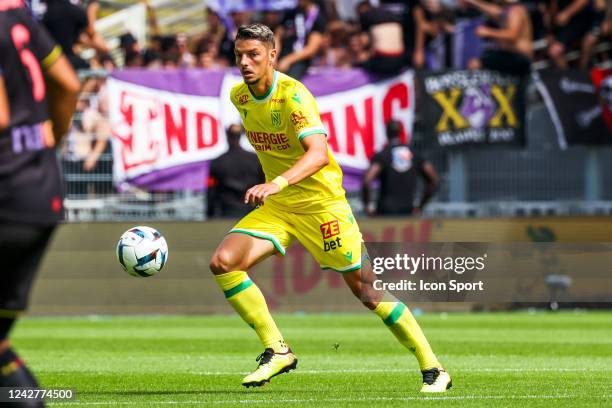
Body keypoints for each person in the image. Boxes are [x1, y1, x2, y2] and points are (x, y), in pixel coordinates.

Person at [209, 23, 451, 393]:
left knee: (369, 292)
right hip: (280, 207)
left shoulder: (293, 96)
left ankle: (434, 368)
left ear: (273, 55)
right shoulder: (240, 97)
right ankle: (277, 350)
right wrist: (276, 189)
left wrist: (276, 182)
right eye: (239, 54)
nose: (244, 62)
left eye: (254, 54)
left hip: (322, 207)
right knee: (224, 262)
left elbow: (318, 154)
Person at [0, 0, 80, 401]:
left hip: (6, 192)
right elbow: (68, 84)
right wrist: (51, 143)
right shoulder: (18, 18)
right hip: (41, 190)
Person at [362, 120, 439, 216]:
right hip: (408, 211)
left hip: (385, 212)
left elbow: (367, 180)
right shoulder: (414, 154)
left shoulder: (383, 155)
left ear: (386, 133)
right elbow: (433, 179)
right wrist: (421, 206)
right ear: (401, 132)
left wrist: (367, 206)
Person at [207, 124, 264, 218]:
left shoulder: (218, 162)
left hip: (227, 211)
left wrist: (210, 213)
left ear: (227, 136)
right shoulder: (255, 159)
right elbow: (262, 184)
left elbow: (211, 191)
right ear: (240, 135)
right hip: (251, 210)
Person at [467, 0, 533, 77]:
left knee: (476, 63)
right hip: (510, 56)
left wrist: (488, 32)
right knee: (482, 58)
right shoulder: (507, 11)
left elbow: (513, 35)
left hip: (519, 58)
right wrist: (473, 2)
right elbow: (492, 10)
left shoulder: (516, 10)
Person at [275, 0, 326, 79]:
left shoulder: (318, 18)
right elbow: (277, 37)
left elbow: (312, 49)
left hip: (299, 60)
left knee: (289, 81)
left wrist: (288, 60)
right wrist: (273, 56)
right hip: (281, 55)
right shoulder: (290, 13)